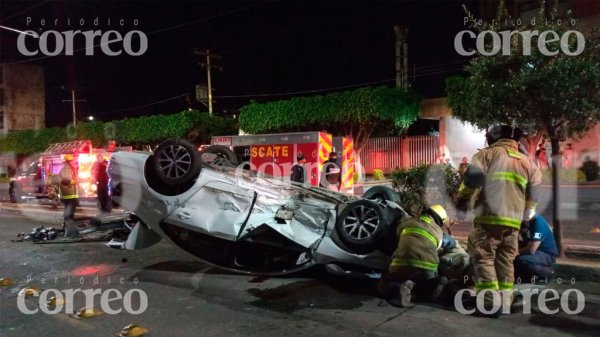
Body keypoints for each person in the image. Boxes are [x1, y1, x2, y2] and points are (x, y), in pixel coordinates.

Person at [456, 125, 541, 316]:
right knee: (505, 260)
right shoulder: (528, 162)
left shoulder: (487, 155)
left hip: (489, 217)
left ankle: (488, 302)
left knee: (483, 257)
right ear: (515, 142)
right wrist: (526, 214)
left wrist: (462, 201)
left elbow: (473, 180)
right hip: (513, 221)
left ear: (492, 138)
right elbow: (534, 194)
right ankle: (506, 301)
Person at [377, 205, 449, 307]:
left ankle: (398, 287)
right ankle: (430, 287)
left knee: (385, 282)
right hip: (427, 267)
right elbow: (437, 248)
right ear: (440, 221)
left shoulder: (409, 221)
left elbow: (396, 236)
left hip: (401, 262)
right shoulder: (439, 232)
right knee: (427, 282)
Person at [515, 215, 558, 282]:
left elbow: (531, 249)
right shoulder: (526, 221)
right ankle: (525, 277)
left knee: (522, 260)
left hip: (546, 254)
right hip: (537, 251)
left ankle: (548, 272)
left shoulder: (538, 223)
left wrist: (515, 252)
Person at [59, 154, 79, 238]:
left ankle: (69, 230)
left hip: (71, 195)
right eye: (73, 161)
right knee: (69, 213)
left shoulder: (70, 169)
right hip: (69, 195)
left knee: (70, 213)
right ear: (69, 161)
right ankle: (69, 231)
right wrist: (75, 181)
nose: (75, 162)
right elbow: (66, 180)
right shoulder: (65, 170)